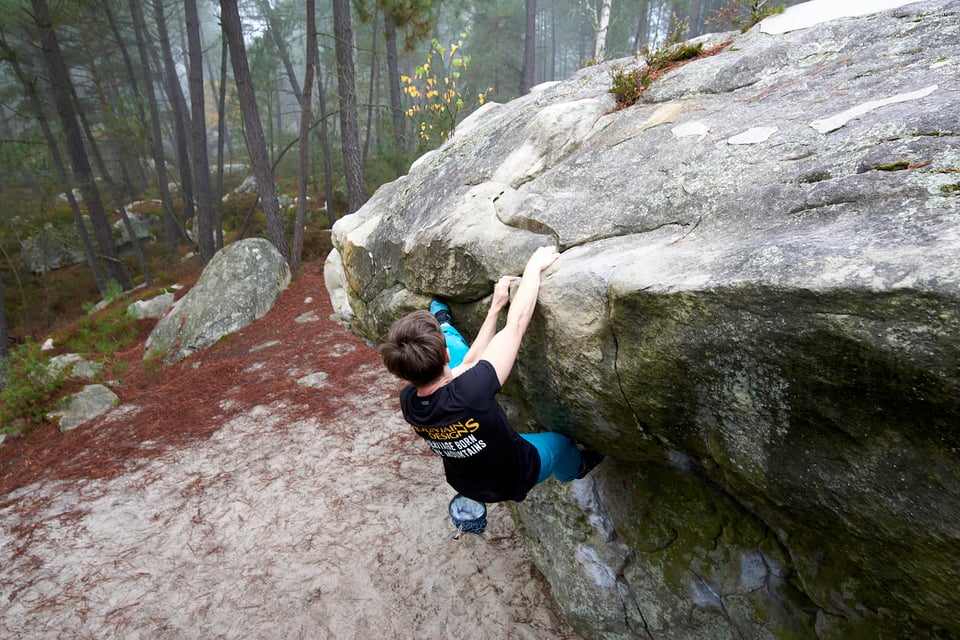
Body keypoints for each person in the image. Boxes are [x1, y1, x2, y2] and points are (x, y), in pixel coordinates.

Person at [380, 246, 603, 504]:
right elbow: (517, 324)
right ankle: (577, 469)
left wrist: (495, 308)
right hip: (516, 473)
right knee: (562, 443)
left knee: (461, 350)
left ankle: (442, 321)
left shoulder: (409, 401)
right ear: (446, 359)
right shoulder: (472, 391)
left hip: (466, 480)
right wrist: (534, 266)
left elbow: (472, 362)